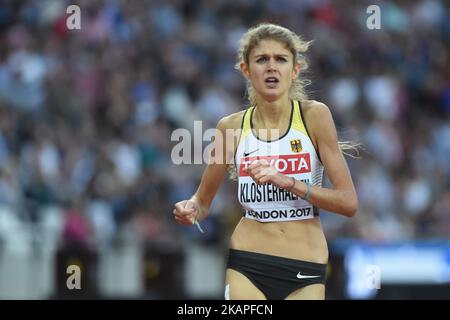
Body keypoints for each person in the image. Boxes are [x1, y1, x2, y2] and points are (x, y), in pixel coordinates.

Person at [173, 23, 358, 300]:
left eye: (280, 59)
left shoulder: (314, 117)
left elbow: (348, 203)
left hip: (306, 265)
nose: (271, 67)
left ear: (294, 70)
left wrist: (288, 182)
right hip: (248, 263)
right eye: (261, 59)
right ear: (246, 70)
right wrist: (190, 208)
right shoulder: (230, 128)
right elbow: (202, 202)